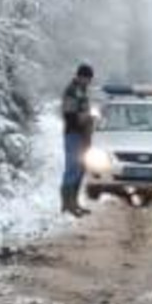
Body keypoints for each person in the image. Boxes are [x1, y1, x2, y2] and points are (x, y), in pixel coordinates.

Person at [61, 63, 95, 217]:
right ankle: (67, 204)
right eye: (87, 78)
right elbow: (69, 115)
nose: (88, 81)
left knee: (81, 168)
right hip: (73, 134)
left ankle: (74, 202)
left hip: (83, 135)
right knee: (72, 168)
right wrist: (84, 118)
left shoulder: (83, 92)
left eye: (89, 79)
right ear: (80, 76)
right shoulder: (72, 91)